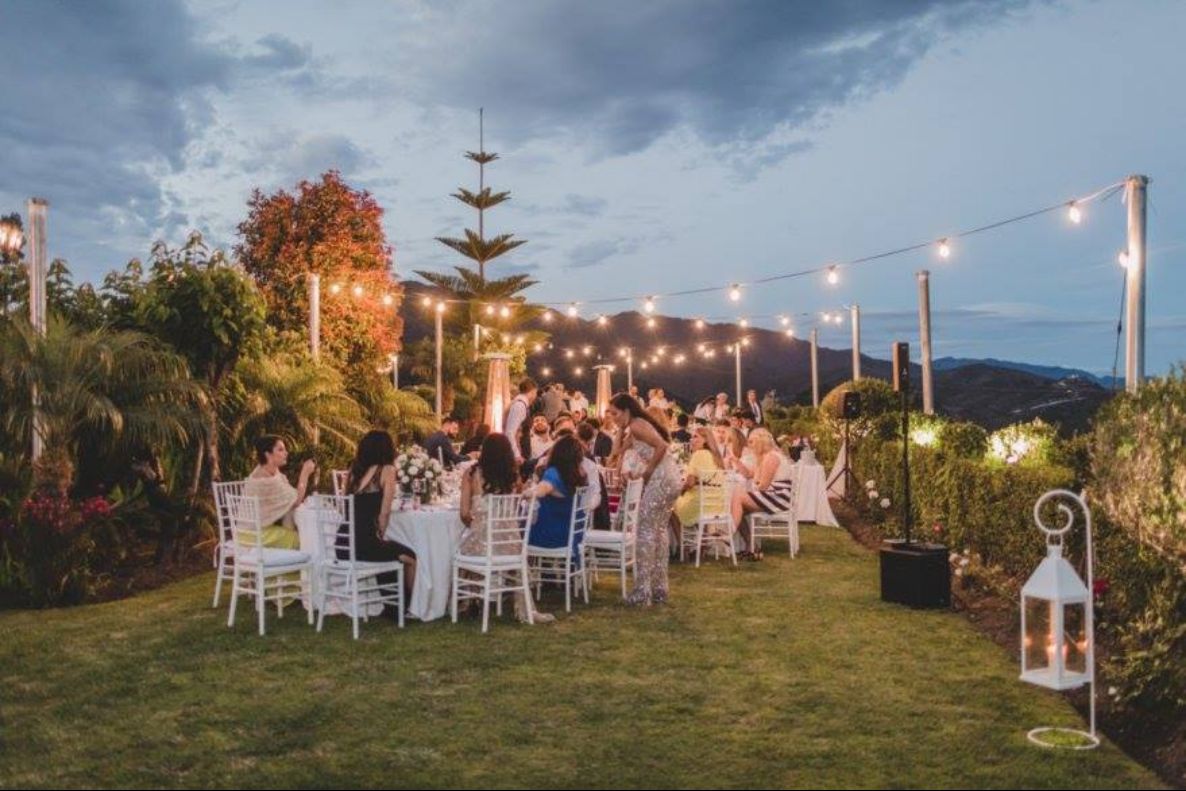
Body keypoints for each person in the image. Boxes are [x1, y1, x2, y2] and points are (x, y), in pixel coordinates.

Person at [458, 433, 554, 624]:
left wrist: (476, 525)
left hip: (482, 544)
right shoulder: (513, 476)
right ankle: (514, 604)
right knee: (476, 544)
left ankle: (469, 599)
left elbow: (464, 514)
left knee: (461, 545)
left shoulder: (471, 474)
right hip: (510, 544)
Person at [605, 392, 681, 605]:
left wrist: (647, 472)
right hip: (670, 478)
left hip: (661, 477)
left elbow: (661, 446)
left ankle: (642, 591)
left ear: (627, 410)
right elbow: (616, 452)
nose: (612, 417)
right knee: (658, 531)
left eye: (615, 413)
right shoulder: (634, 426)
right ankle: (659, 588)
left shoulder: (638, 425)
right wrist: (620, 428)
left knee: (645, 531)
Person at [344, 430, 417, 606]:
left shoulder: (353, 471)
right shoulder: (387, 470)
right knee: (411, 557)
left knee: (390, 550)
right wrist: (380, 535)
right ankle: (408, 606)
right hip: (365, 544)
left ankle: (392, 603)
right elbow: (384, 513)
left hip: (344, 544)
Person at [730, 428, 795, 560]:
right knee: (738, 503)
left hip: (778, 496)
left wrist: (750, 490)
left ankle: (729, 533)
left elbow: (763, 486)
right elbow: (748, 474)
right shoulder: (763, 458)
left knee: (737, 496)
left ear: (760, 442)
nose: (749, 445)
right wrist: (736, 461)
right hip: (773, 494)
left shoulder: (771, 457)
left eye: (752, 442)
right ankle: (751, 546)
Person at [243, 435, 316, 548]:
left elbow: (289, 500)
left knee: (292, 527)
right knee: (302, 541)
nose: (286, 453)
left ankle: (288, 561)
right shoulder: (265, 479)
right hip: (254, 536)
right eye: (281, 449)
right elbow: (296, 500)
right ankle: (292, 563)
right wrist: (305, 473)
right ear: (268, 454)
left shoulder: (271, 472)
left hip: (255, 531)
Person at [528, 435, 589, 565]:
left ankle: (525, 576)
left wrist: (527, 492)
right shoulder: (580, 474)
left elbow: (543, 488)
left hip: (552, 536)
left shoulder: (553, 473)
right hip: (573, 534)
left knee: (519, 530)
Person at [670, 425, 727, 554]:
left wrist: (680, 491)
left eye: (695, 437)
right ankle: (702, 545)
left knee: (670, 507)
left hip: (701, 503)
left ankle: (683, 547)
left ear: (705, 440)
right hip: (717, 504)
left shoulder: (699, 455)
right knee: (686, 501)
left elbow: (690, 482)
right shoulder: (716, 456)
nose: (692, 439)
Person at [505, 378, 538, 464]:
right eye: (535, 393)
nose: (535, 396)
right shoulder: (519, 405)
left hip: (521, 452)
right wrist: (517, 455)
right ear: (532, 391)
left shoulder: (520, 404)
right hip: (519, 454)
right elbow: (510, 432)